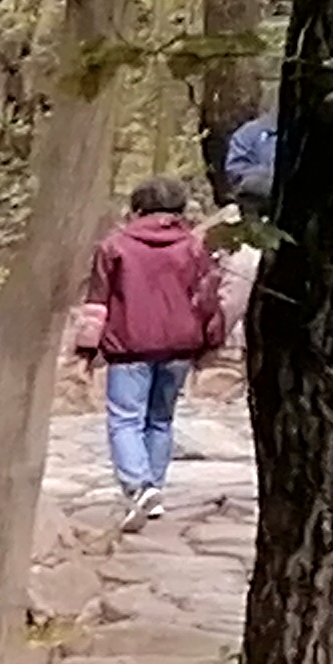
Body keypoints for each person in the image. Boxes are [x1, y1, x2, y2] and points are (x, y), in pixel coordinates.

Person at [83, 176, 226, 504]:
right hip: (179, 346)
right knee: (160, 420)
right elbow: (208, 298)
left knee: (125, 419)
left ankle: (138, 485)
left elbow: (97, 302)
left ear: (136, 208)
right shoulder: (194, 247)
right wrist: (211, 341)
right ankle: (154, 488)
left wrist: (85, 349)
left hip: (128, 346)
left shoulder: (114, 246)